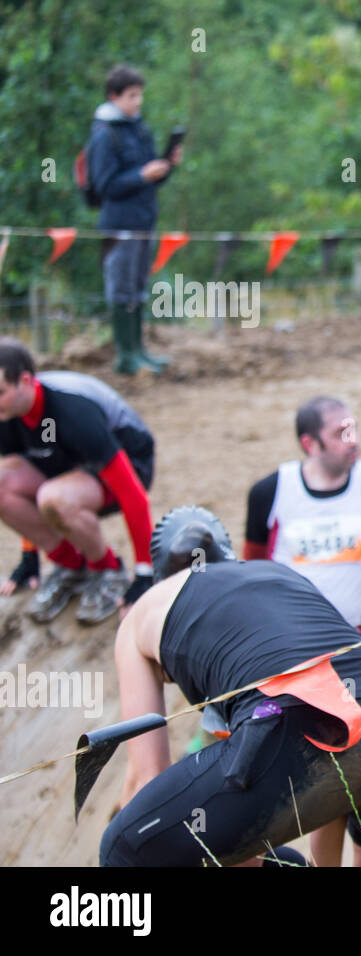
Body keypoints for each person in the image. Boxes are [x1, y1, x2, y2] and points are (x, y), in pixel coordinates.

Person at [101, 506, 361, 866]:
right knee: (301, 851)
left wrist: (134, 820)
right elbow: (337, 748)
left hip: (287, 724)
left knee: (125, 844)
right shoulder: (277, 575)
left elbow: (145, 778)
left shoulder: (144, 611)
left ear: (163, 576)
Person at [244, 396, 361, 654]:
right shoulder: (270, 491)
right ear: (310, 444)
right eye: (340, 433)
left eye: (353, 428)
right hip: (286, 643)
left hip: (352, 640)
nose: (354, 440)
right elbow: (252, 571)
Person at [0, 339, 156, 624]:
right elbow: (24, 472)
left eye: (0, 392)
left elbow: (133, 494)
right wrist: (29, 558)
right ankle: (70, 566)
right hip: (64, 468)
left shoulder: (72, 409)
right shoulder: (7, 413)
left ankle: (108, 570)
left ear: (25, 381)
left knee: (53, 497)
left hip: (130, 464)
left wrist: (144, 574)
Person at [87, 64, 181, 375]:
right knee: (121, 289)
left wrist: (167, 166)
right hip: (119, 224)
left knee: (139, 288)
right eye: (132, 95)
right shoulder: (104, 135)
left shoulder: (139, 129)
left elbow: (150, 181)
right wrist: (141, 175)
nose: (138, 101)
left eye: (140, 95)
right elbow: (104, 185)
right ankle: (125, 356)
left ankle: (139, 351)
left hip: (144, 221)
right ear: (114, 96)